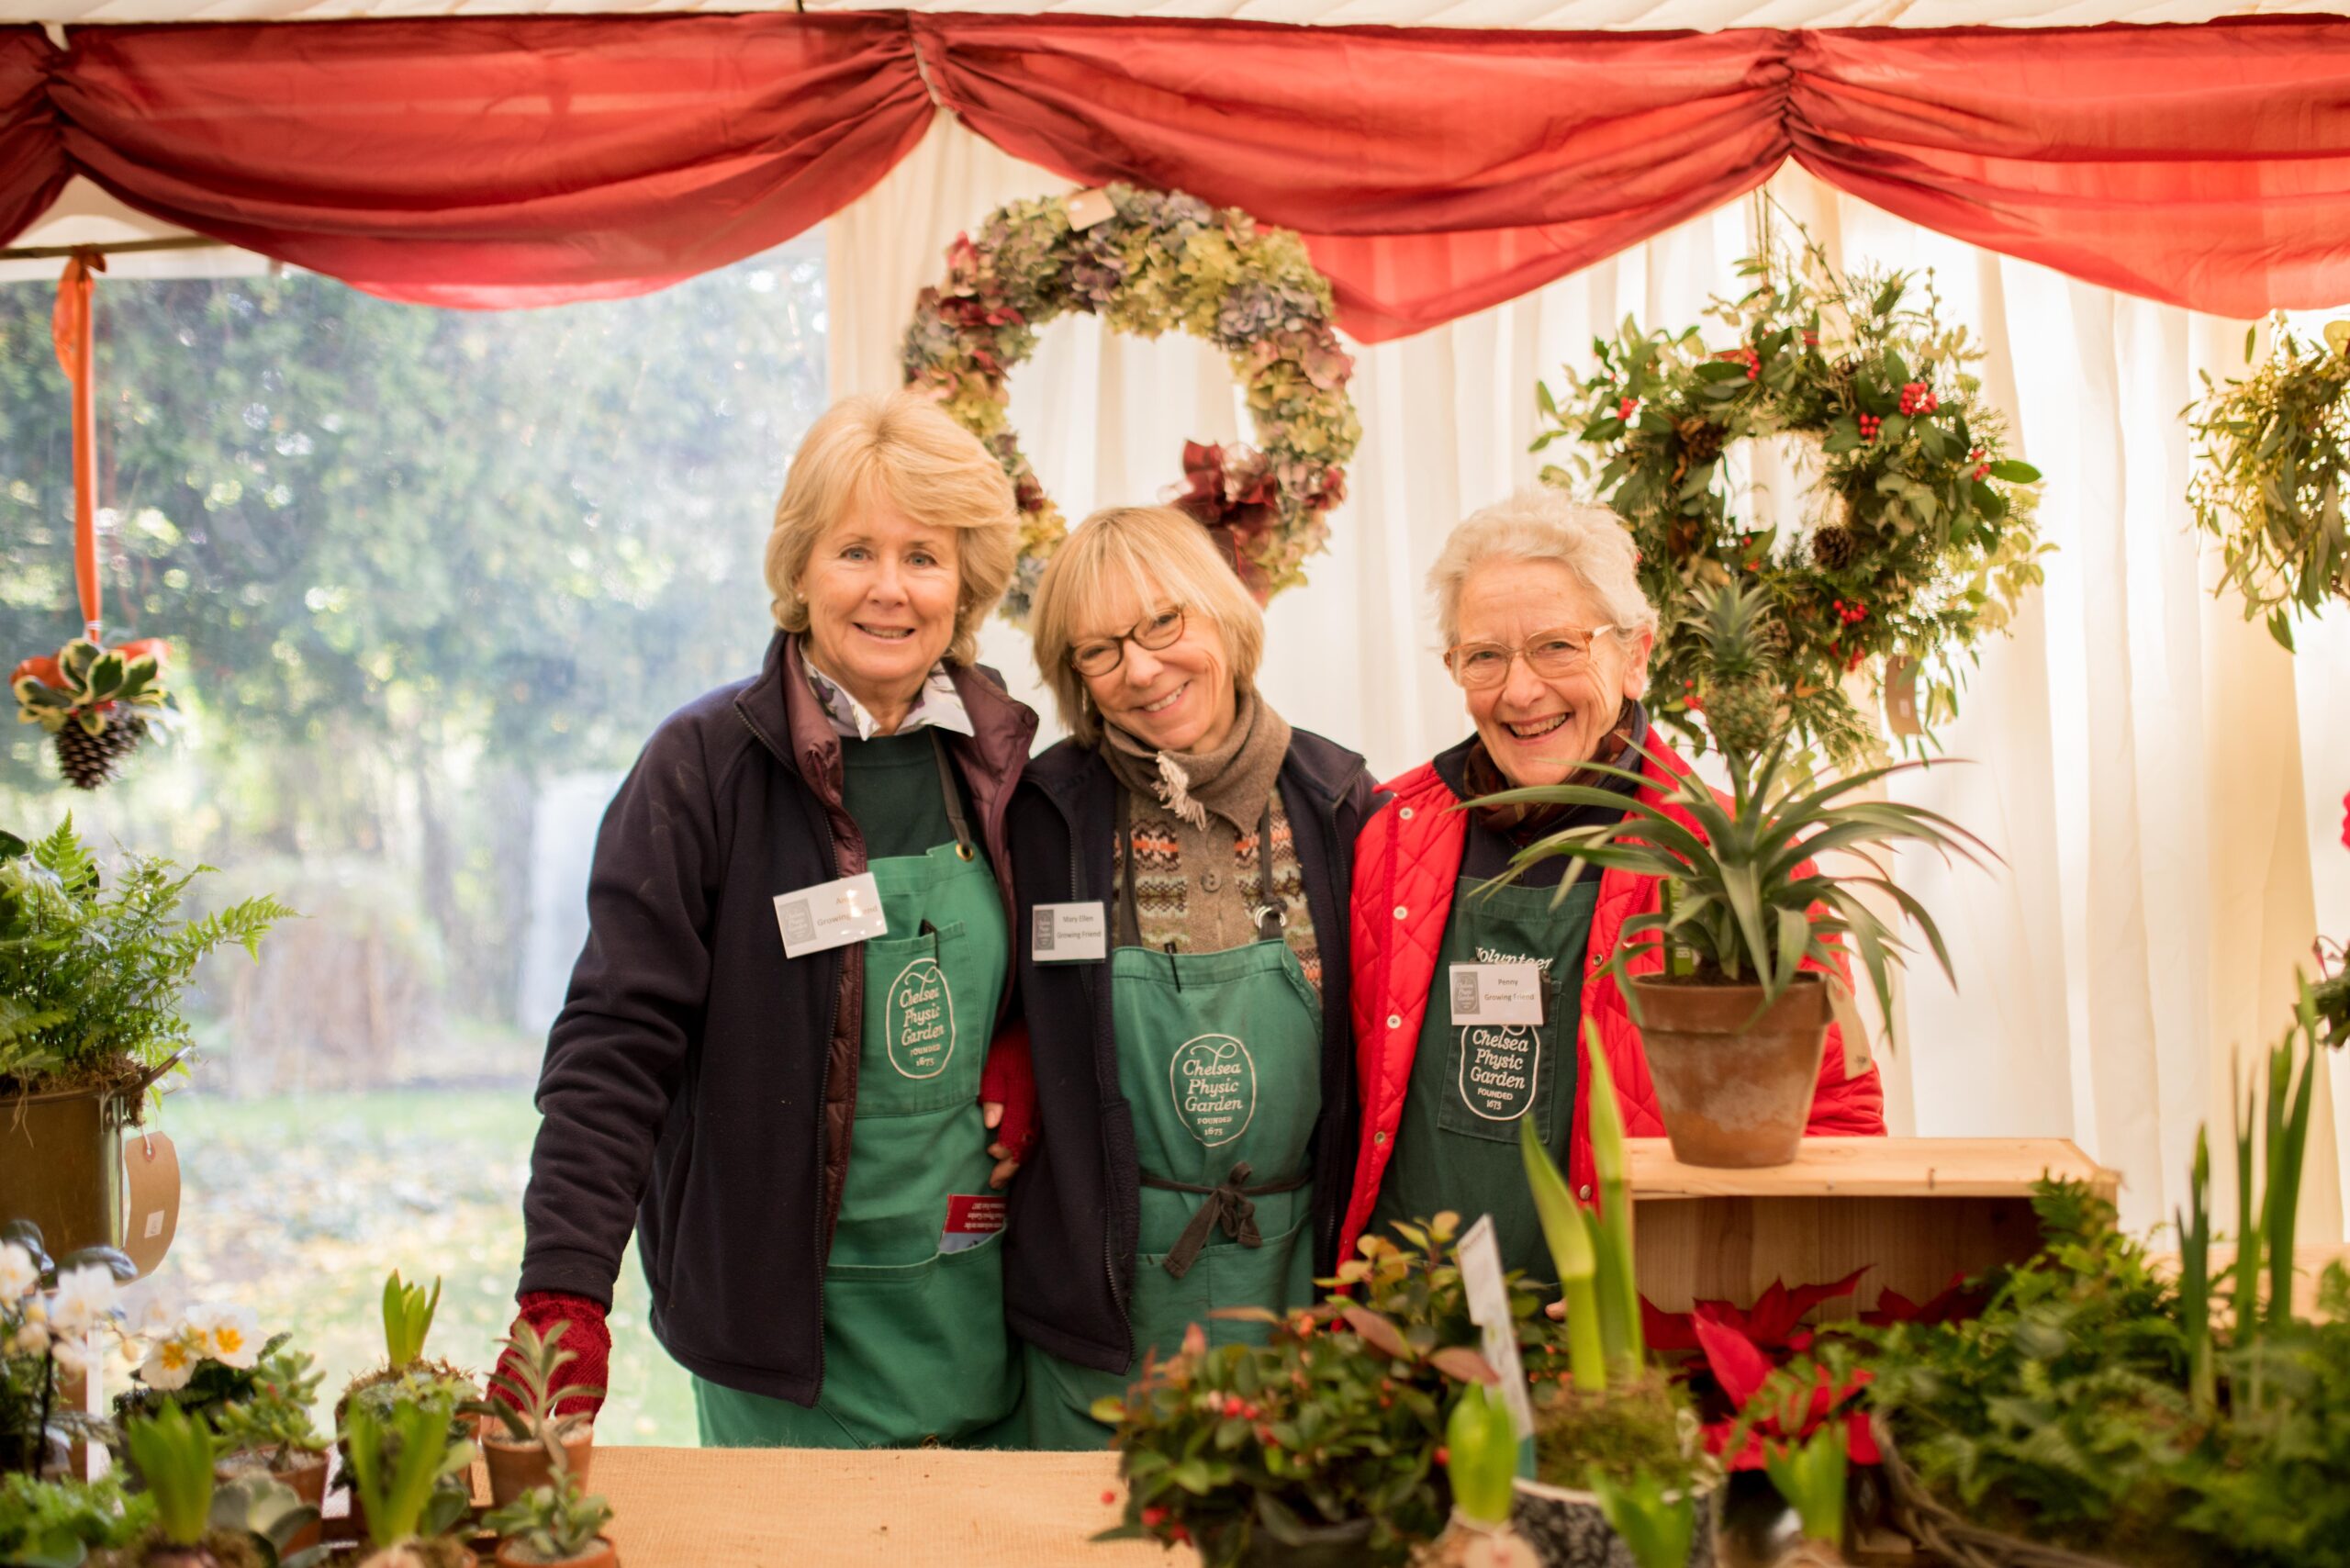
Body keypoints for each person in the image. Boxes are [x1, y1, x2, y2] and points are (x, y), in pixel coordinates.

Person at [505, 390, 1040, 1449]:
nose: (890, 589)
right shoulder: (701, 769)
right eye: (854, 551)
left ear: (965, 581)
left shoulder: (1003, 762)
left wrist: (1029, 1037)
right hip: (781, 1324)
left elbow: (1059, 964)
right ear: (800, 569)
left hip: (978, 1296)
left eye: (925, 556)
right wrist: (563, 1292)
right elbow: (617, 1046)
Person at [1343, 490, 1884, 1277]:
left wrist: (1683, 1294)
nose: (1520, 691)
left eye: (1558, 646)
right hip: (1396, 1334)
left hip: (1622, 1344)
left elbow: (1833, 1119)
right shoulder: (1387, 832)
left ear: (1634, 655)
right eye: (1484, 655)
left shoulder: (1742, 866)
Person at [999, 506, 1377, 1449]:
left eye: (1164, 623)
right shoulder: (1046, 814)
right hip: (1106, 1290)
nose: (1139, 668)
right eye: (1099, 650)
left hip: (1295, 1281)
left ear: (1223, 615)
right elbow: (995, 990)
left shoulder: (1341, 802)